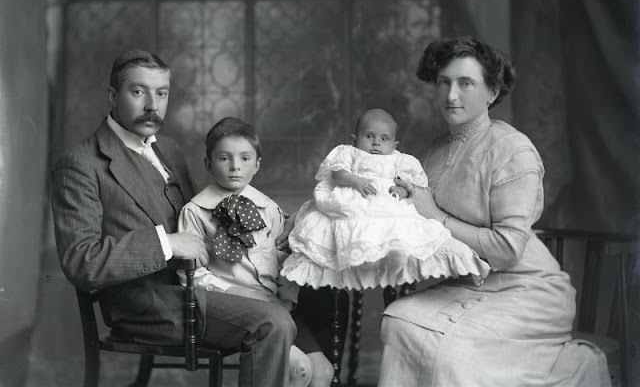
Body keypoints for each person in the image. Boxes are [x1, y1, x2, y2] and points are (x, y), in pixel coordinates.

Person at [51, 50, 297, 387]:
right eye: (138, 92)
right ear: (112, 96)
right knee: (274, 321)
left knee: (315, 295)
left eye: (162, 93)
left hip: (204, 284)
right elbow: (81, 261)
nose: (152, 104)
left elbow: (208, 216)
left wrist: (278, 228)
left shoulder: (169, 149)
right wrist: (166, 243)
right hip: (150, 303)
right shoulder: (82, 163)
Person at [377, 37, 611, 386]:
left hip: (528, 290)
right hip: (466, 285)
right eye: (444, 82)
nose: (451, 95)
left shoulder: (513, 150)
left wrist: (433, 215)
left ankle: (576, 369)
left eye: (465, 83)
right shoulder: (435, 151)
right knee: (397, 319)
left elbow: (507, 249)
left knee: (450, 348)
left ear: (491, 91)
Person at [177, 116, 333, 387]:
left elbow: (284, 261)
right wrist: (235, 294)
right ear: (208, 164)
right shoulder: (195, 212)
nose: (235, 166)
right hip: (233, 309)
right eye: (224, 158)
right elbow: (190, 275)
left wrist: (287, 299)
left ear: (257, 165)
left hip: (277, 306)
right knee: (300, 370)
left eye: (245, 158)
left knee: (323, 373)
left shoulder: (268, 209)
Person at [280, 108, 490, 290]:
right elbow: (338, 173)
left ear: (394, 143)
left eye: (384, 138)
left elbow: (410, 183)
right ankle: (356, 254)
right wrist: (355, 181)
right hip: (353, 200)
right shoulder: (350, 153)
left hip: (386, 205)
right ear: (355, 138)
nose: (376, 143)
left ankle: (387, 256)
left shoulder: (399, 160)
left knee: (396, 230)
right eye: (369, 136)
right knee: (344, 225)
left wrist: (403, 191)